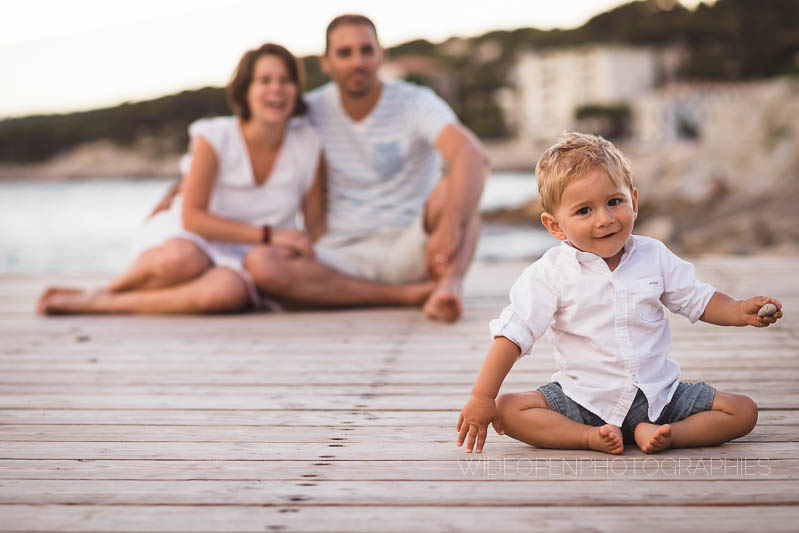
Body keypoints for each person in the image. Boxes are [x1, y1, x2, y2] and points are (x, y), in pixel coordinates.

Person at [37, 43, 433, 315]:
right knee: (183, 258)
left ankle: (101, 304)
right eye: (265, 81)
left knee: (226, 292)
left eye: (285, 80)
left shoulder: (308, 143)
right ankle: (104, 293)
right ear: (246, 89)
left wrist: (309, 253)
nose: (276, 89)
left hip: (251, 255)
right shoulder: (214, 135)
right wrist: (271, 235)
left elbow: (315, 227)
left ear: (296, 91)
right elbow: (193, 218)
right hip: (188, 237)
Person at [456, 132, 783, 454]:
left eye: (614, 202)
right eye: (584, 211)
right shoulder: (550, 273)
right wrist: (482, 397)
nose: (605, 219)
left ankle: (667, 434)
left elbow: (697, 299)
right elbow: (513, 335)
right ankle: (588, 437)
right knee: (509, 410)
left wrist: (739, 311)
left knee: (743, 411)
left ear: (634, 202)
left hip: (660, 396)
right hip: (583, 399)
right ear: (555, 226)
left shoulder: (653, 256)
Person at [242, 14, 488, 322]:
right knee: (260, 263)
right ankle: (409, 296)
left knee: (464, 191)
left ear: (381, 55)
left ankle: (447, 286)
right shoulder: (309, 110)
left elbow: (471, 154)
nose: (357, 61)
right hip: (339, 257)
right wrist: (185, 183)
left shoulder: (415, 101)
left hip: (413, 248)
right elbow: (251, 144)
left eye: (366, 51)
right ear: (327, 62)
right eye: (344, 53)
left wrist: (448, 229)